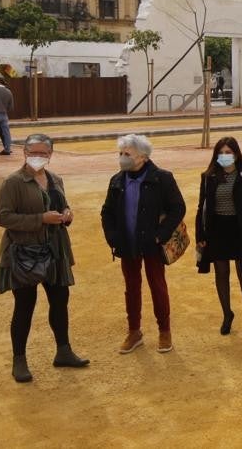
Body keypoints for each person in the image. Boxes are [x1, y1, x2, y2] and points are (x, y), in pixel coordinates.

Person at [0, 134, 89, 383]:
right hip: (25, 252)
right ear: (24, 153)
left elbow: (63, 206)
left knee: (60, 301)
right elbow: (2, 218)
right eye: (33, 151)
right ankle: (19, 360)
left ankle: (64, 351)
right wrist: (40, 220)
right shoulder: (12, 183)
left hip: (55, 249)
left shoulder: (55, 179)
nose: (38, 156)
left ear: (51, 155)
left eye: (43, 153)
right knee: (25, 305)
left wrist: (67, 214)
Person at [100, 134, 186, 354]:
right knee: (131, 287)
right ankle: (134, 331)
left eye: (127, 154)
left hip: (152, 244)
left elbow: (178, 208)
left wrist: (160, 235)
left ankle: (164, 331)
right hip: (127, 244)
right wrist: (112, 237)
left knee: (157, 285)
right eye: (121, 153)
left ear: (143, 157)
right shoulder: (117, 180)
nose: (122, 158)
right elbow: (107, 211)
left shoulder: (163, 178)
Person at [195, 137, 242, 338]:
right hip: (216, 231)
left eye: (229, 152)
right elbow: (202, 206)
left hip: (241, 231)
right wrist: (200, 234)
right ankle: (227, 314)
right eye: (221, 152)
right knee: (221, 273)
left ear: (236, 154)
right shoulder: (208, 176)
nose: (225, 156)